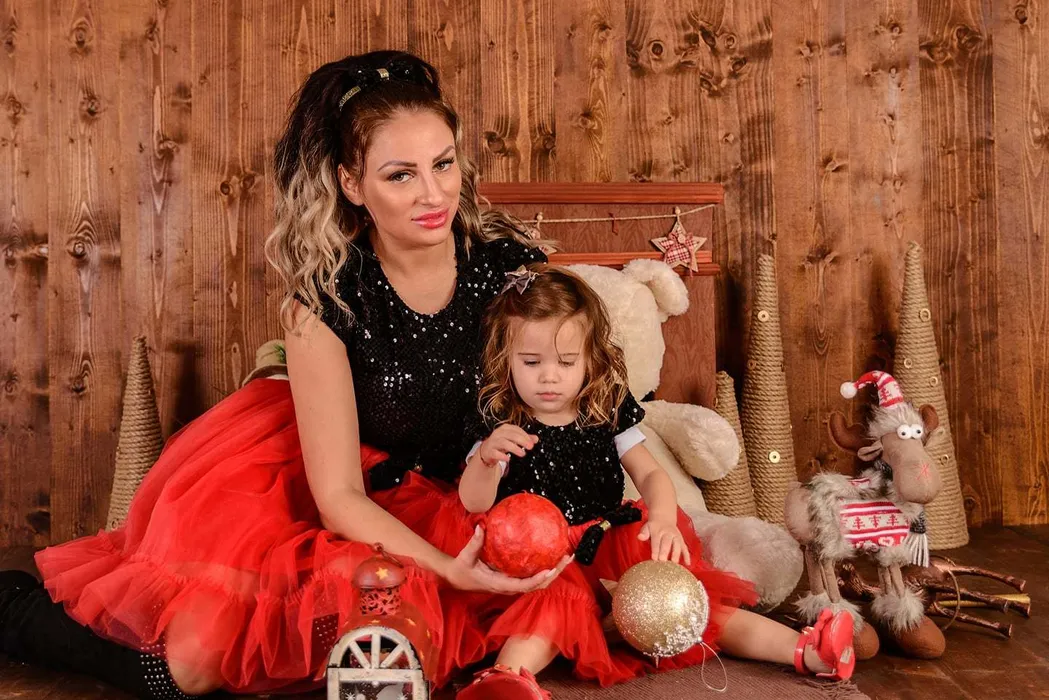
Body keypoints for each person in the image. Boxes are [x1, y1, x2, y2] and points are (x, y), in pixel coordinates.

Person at [0, 51, 570, 698]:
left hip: (461, 492)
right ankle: (14, 609)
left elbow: (567, 386)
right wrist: (446, 569)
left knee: (506, 619)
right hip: (330, 487)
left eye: (443, 164)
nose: (434, 194)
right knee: (191, 668)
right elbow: (339, 498)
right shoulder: (326, 303)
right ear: (351, 184)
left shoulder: (508, 270)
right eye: (400, 175)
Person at [400, 265, 856, 699]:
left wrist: (663, 519)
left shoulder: (605, 411)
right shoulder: (502, 421)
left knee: (690, 604)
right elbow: (473, 502)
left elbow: (651, 473)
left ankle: (808, 650)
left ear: (590, 358)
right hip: (542, 560)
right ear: (506, 360)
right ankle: (507, 679)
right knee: (552, 608)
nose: (549, 376)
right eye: (532, 361)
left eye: (566, 361)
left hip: (610, 540)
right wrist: (486, 457)